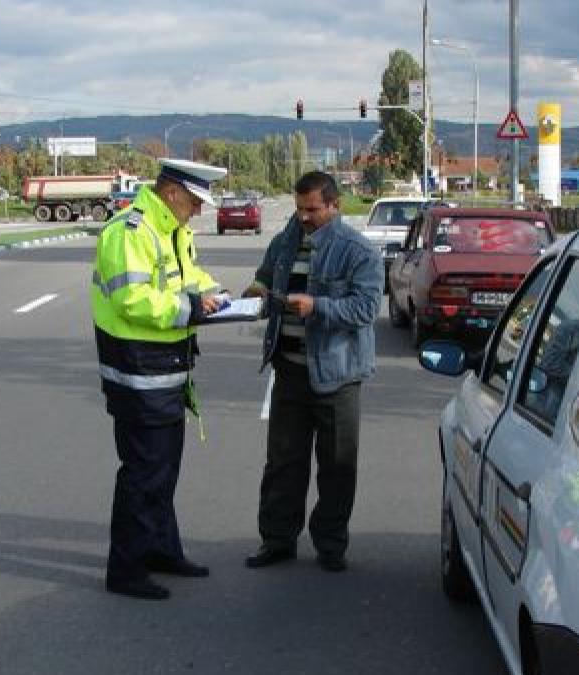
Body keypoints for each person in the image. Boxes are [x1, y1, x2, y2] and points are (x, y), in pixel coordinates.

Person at [90, 158, 228, 600]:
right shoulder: (130, 231)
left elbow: (188, 279)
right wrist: (190, 308)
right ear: (172, 193)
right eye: (195, 201)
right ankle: (126, 570)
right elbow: (132, 299)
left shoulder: (171, 228)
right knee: (143, 474)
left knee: (164, 471)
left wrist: (216, 295)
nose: (199, 211)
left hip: (167, 368)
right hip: (138, 371)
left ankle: (161, 551)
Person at [242, 171, 383, 573]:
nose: (303, 217)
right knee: (283, 464)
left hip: (338, 377)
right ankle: (278, 540)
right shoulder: (286, 240)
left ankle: (331, 546)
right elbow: (266, 278)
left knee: (337, 468)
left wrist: (316, 306)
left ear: (334, 206)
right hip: (289, 372)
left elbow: (367, 310)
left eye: (312, 210)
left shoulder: (358, 251)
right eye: (299, 208)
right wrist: (256, 293)